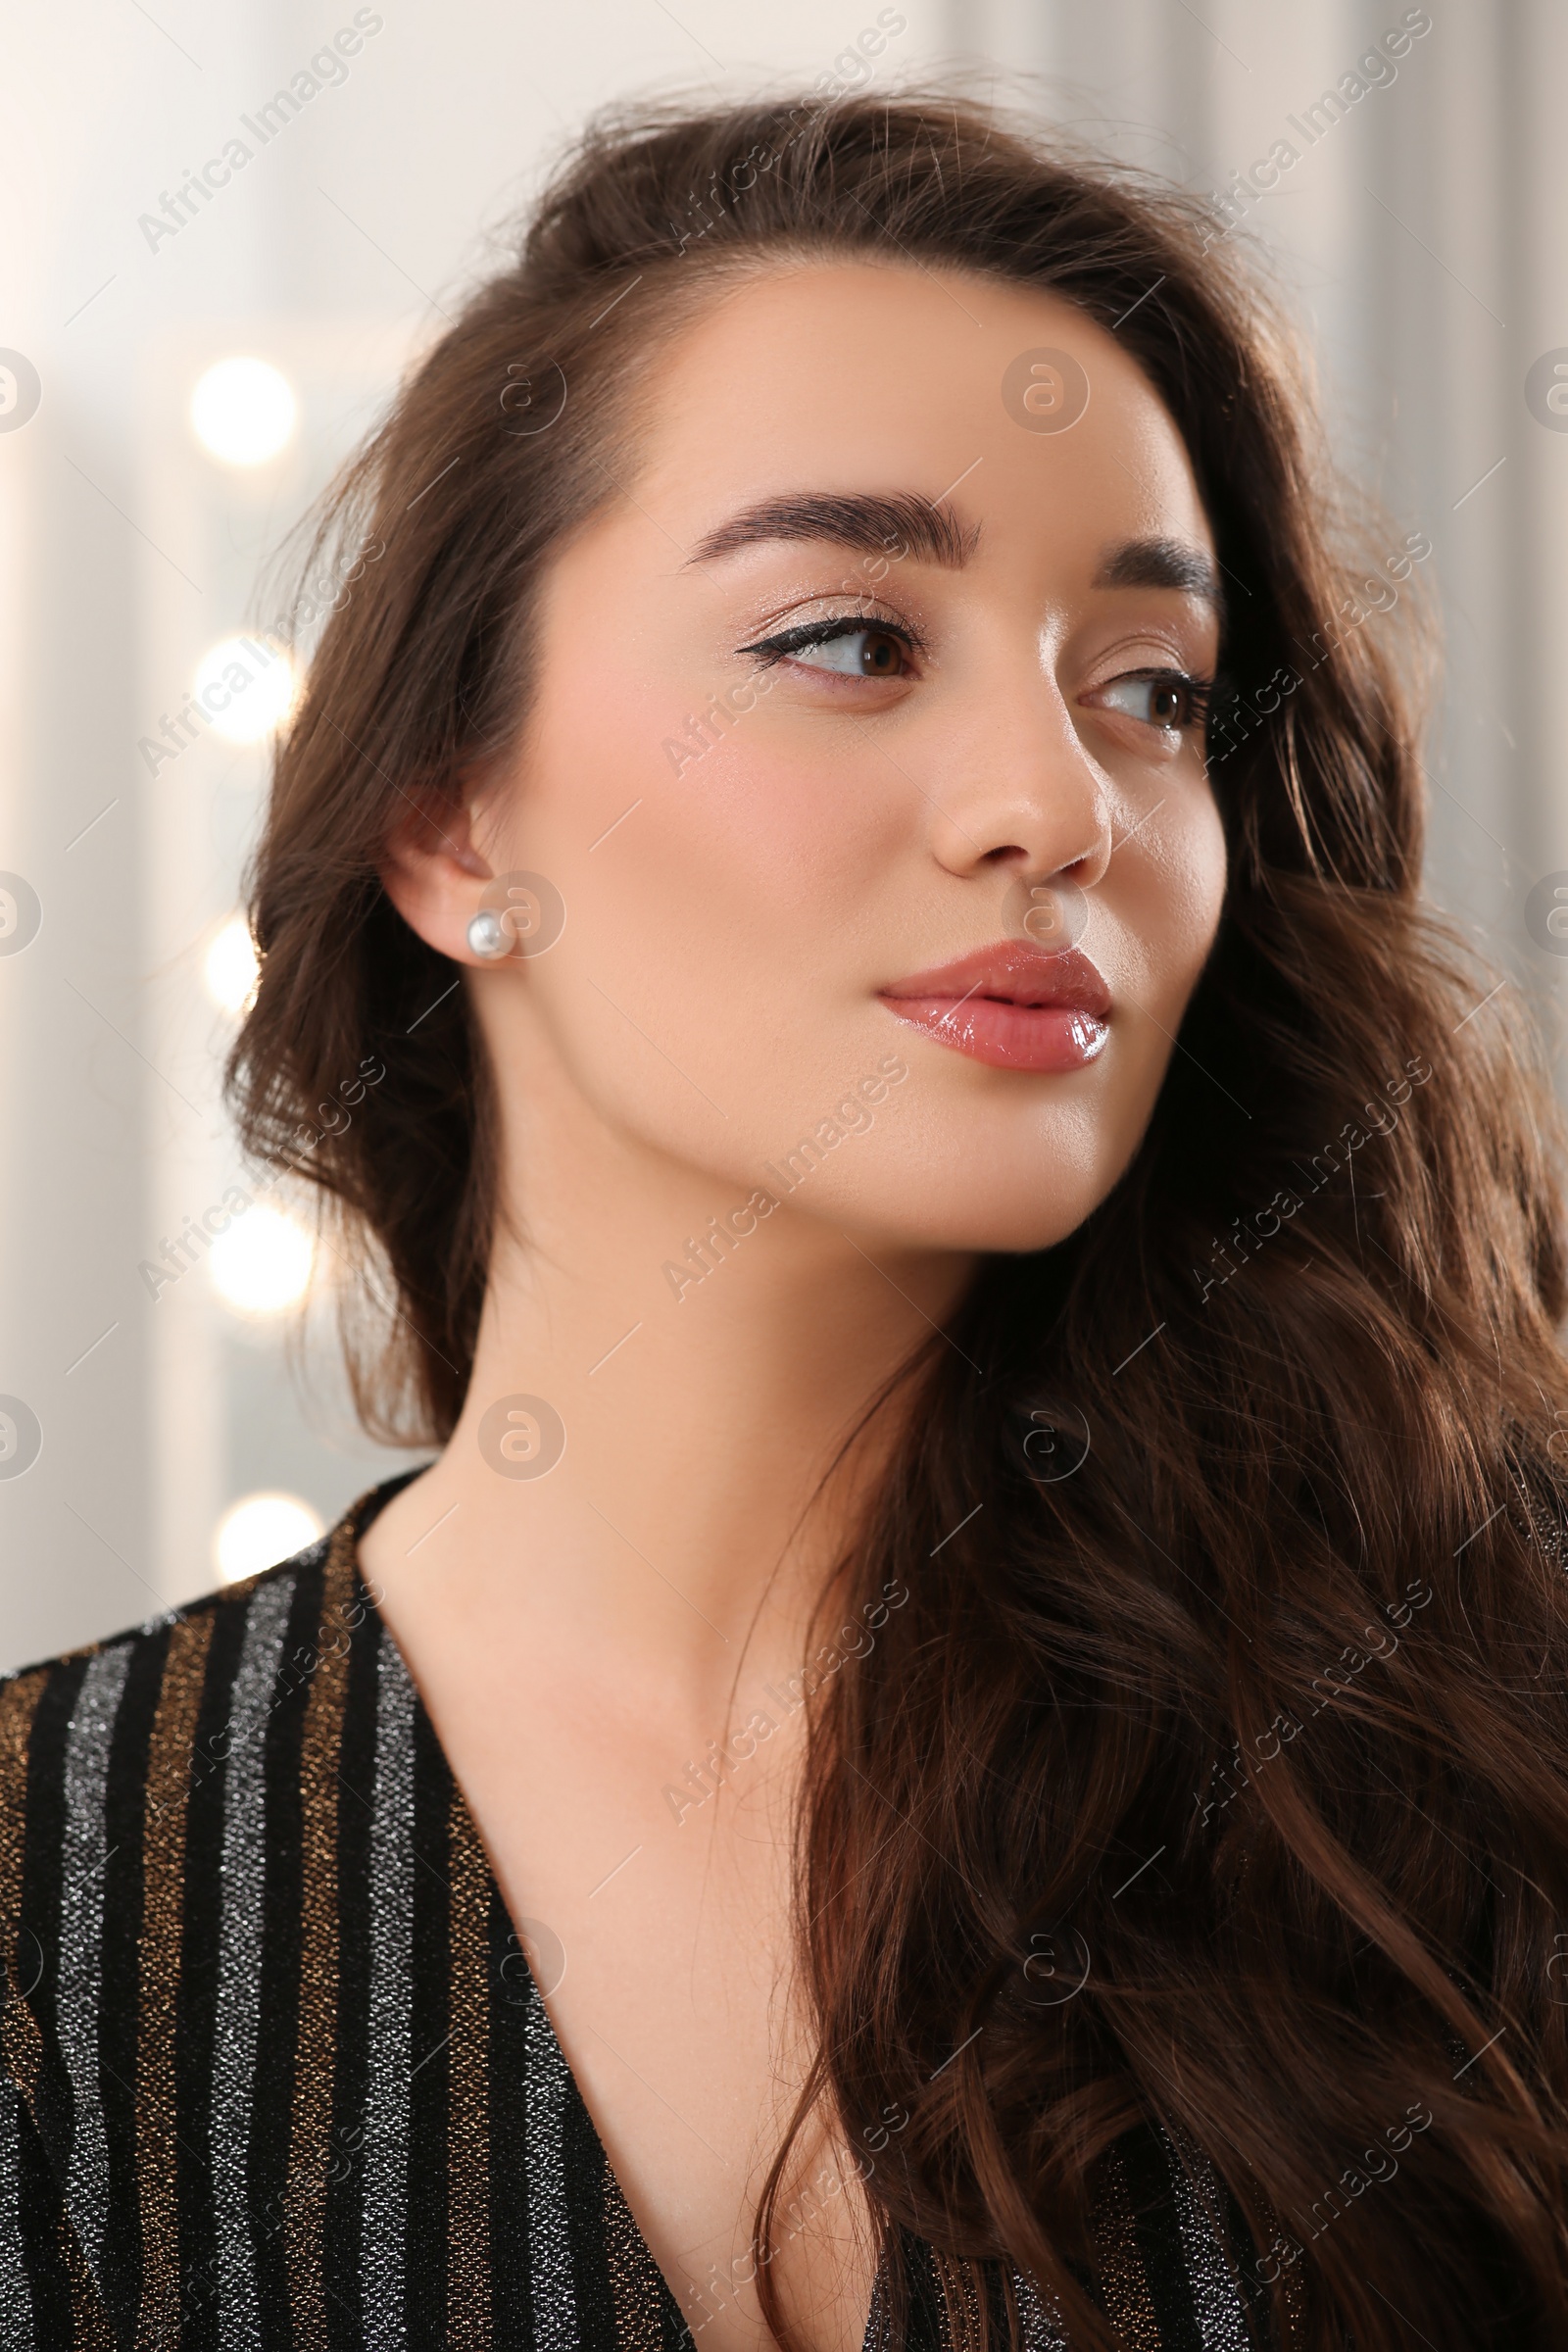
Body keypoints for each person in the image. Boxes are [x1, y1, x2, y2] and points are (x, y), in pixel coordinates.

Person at [4, 87, 1568, 2352]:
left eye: (1149, 691)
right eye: (848, 640)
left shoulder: (1478, 1757)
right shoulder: (66, 1908)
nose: (1056, 802)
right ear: (453, 822)